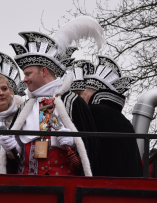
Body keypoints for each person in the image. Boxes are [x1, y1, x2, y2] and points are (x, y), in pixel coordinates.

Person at [6, 26, 102, 176]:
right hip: (27, 187)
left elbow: (91, 148)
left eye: (28, 74)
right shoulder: (25, 106)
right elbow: (15, 156)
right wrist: (11, 148)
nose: (24, 79)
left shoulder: (73, 102)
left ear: (44, 71)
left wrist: (72, 143)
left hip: (65, 189)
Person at [68, 57, 142, 177]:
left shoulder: (92, 113)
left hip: (100, 186)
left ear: (90, 94)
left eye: (84, 94)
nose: (82, 99)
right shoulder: (125, 121)